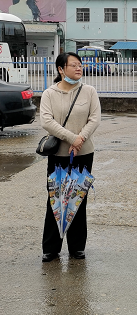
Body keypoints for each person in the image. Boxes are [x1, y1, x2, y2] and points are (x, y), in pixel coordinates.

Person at [40, 52, 101, 262]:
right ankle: (51, 248)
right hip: (58, 154)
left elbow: (95, 119)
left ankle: (77, 247)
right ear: (61, 69)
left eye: (80, 65)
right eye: (73, 65)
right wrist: (72, 138)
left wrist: (80, 140)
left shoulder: (89, 91)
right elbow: (47, 122)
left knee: (78, 199)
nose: (78, 68)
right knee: (55, 199)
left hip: (83, 154)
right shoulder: (49, 94)